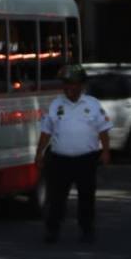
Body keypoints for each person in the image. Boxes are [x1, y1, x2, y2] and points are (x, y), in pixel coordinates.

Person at [35, 64, 112, 244]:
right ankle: (52, 230)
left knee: (86, 196)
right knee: (56, 198)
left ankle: (87, 230)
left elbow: (103, 130)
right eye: (66, 84)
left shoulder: (93, 105)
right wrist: (39, 153)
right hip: (60, 160)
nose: (69, 87)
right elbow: (46, 132)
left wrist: (106, 152)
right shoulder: (56, 105)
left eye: (73, 84)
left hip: (86, 159)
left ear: (82, 86)